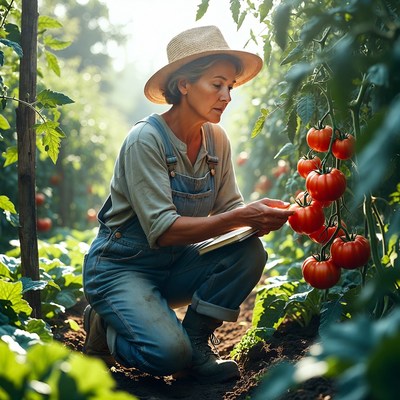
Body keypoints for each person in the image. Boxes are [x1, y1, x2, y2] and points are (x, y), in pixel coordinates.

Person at [82, 25, 294, 384]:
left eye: (230, 86)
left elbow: (231, 211)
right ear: (183, 85)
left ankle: (195, 341)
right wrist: (243, 215)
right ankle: (106, 327)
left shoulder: (217, 140)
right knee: (166, 355)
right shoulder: (145, 141)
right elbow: (162, 231)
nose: (227, 95)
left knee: (250, 252)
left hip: (174, 265)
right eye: (217, 84)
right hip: (121, 268)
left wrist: (264, 217)